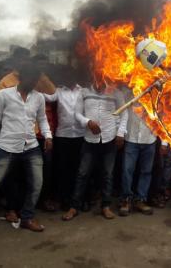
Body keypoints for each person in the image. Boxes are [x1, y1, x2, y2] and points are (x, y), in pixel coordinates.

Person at [0, 62, 52, 232]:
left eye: (36, 80)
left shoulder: (38, 97)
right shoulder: (4, 95)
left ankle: (27, 217)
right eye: (32, 79)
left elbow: (42, 119)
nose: (35, 83)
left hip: (31, 146)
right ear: (22, 78)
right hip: (6, 147)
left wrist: (48, 136)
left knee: (37, 184)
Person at [62, 78, 128, 221]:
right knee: (82, 173)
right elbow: (77, 114)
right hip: (89, 140)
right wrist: (88, 122)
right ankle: (74, 207)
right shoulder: (84, 92)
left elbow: (124, 113)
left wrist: (120, 133)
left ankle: (106, 206)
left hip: (109, 138)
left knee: (107, 174)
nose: (100, 78)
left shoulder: (116, 93)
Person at [43, 67, 84, 210]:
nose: (69, 77)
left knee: (78, 169)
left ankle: (78, 199)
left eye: (71, 74)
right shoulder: (58, 92)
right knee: (63, 169)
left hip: (80, 136)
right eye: (66, 74)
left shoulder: (83, 91)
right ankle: (64, 199)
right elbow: (46, 96)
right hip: (63, 136)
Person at [119, 89, 157, 217]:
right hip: (131, 138)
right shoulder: (127, 94)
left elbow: (162, 117)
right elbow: (122, 113)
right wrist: (121, 133)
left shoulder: (155, 96)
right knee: (127, 170)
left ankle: (141, 199)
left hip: (149, 139)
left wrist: (163, 143)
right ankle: (126, 200)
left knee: (146, 172)